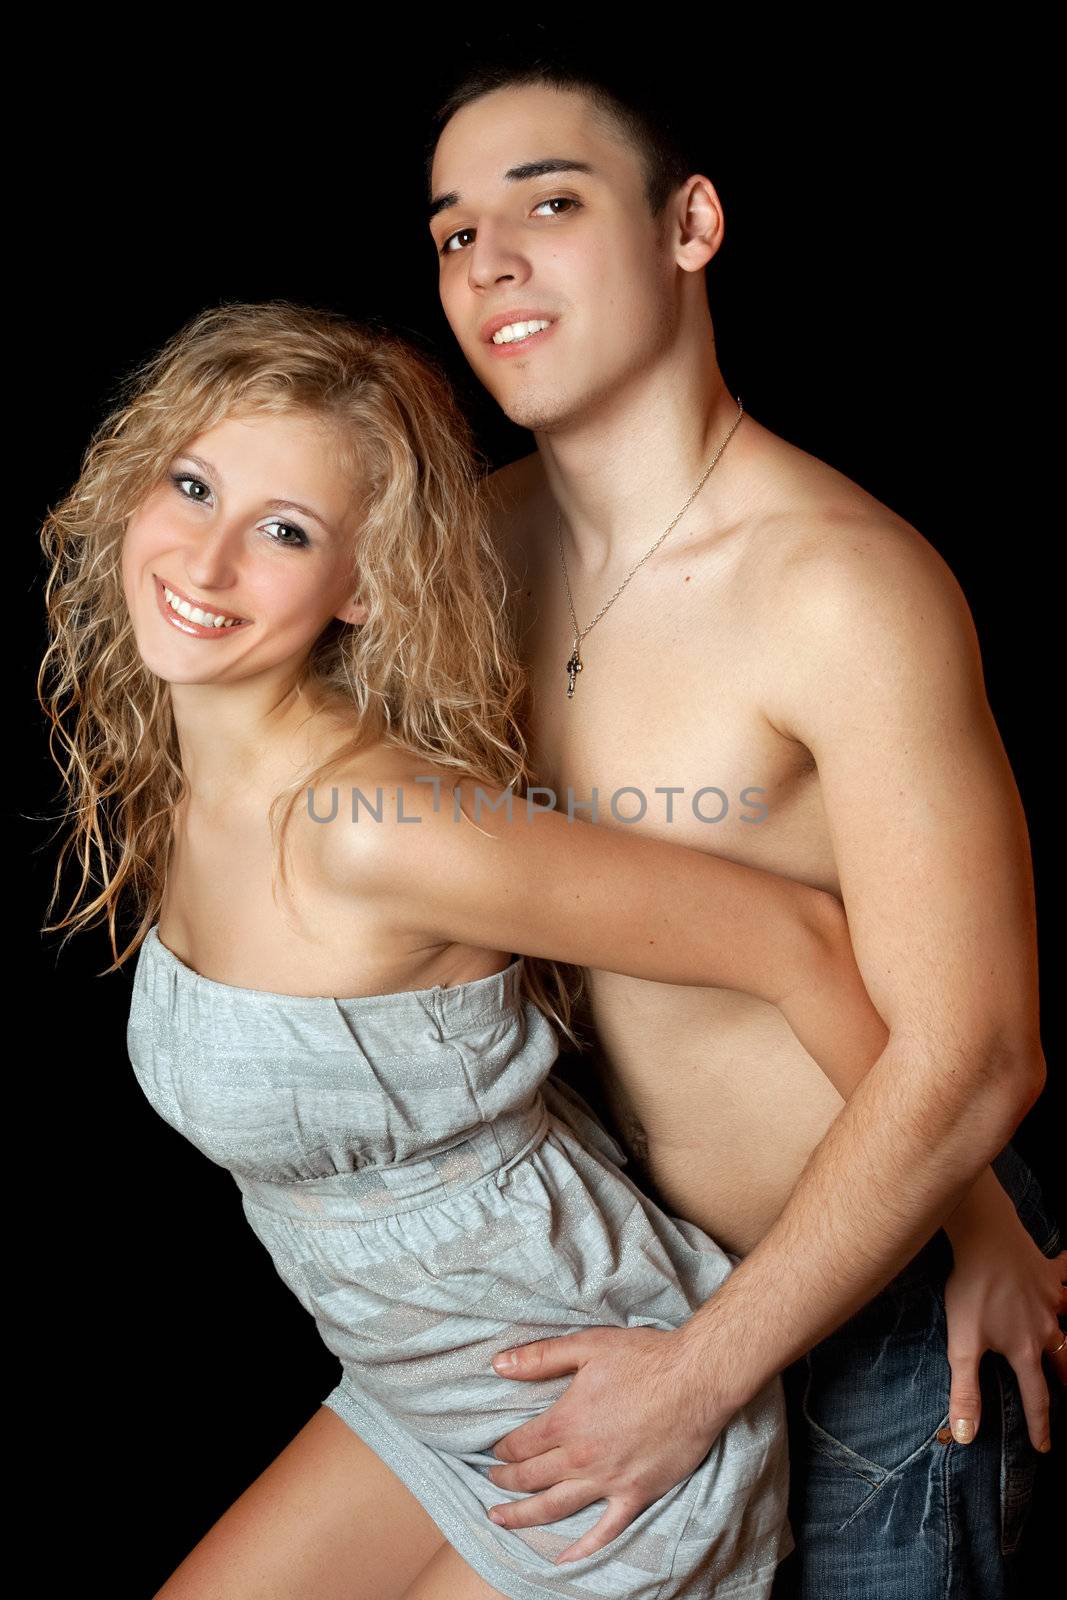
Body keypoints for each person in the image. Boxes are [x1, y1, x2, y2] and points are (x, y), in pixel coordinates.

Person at [40, 299, 908, 1600]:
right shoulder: (179, 777)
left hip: (608, 1411)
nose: (205, 563)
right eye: (193, 485)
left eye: (284, 532)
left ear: (366, 584)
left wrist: (976, 1233)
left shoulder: (380, 832)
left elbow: (798, 937)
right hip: (410, 1392)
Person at [420, 54, 1067, 1596]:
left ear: (691, 223)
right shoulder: (462, 555)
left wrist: (705, 1375)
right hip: (609, 1293)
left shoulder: (841, 585)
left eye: (551, 204)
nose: (489, 261)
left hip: (875, 1332)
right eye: (450, 233)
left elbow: (976, 1052)